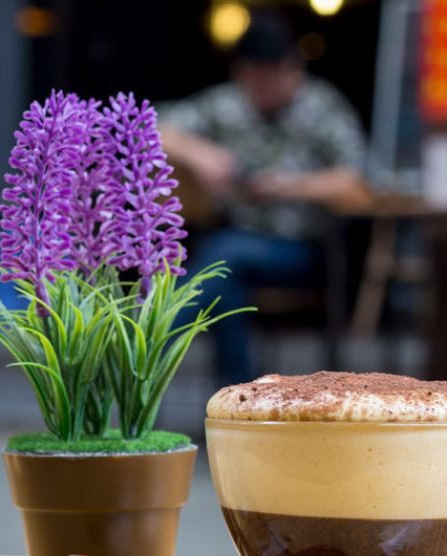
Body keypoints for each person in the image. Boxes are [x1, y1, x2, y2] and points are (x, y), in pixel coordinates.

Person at [159, 11, 370, 385]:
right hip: (239, 247)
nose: (264, 91)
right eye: (255, 81)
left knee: (224, 257)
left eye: (273, 80)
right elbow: (150, 126)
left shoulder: (321, 107)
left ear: (293, 70)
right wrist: (201, 153)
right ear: (242, 74)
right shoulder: (227, 105)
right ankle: (238, 394)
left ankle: (148, 338)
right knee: (225, 283)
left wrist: (289, 186)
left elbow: (356, 181)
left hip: (304, 251)